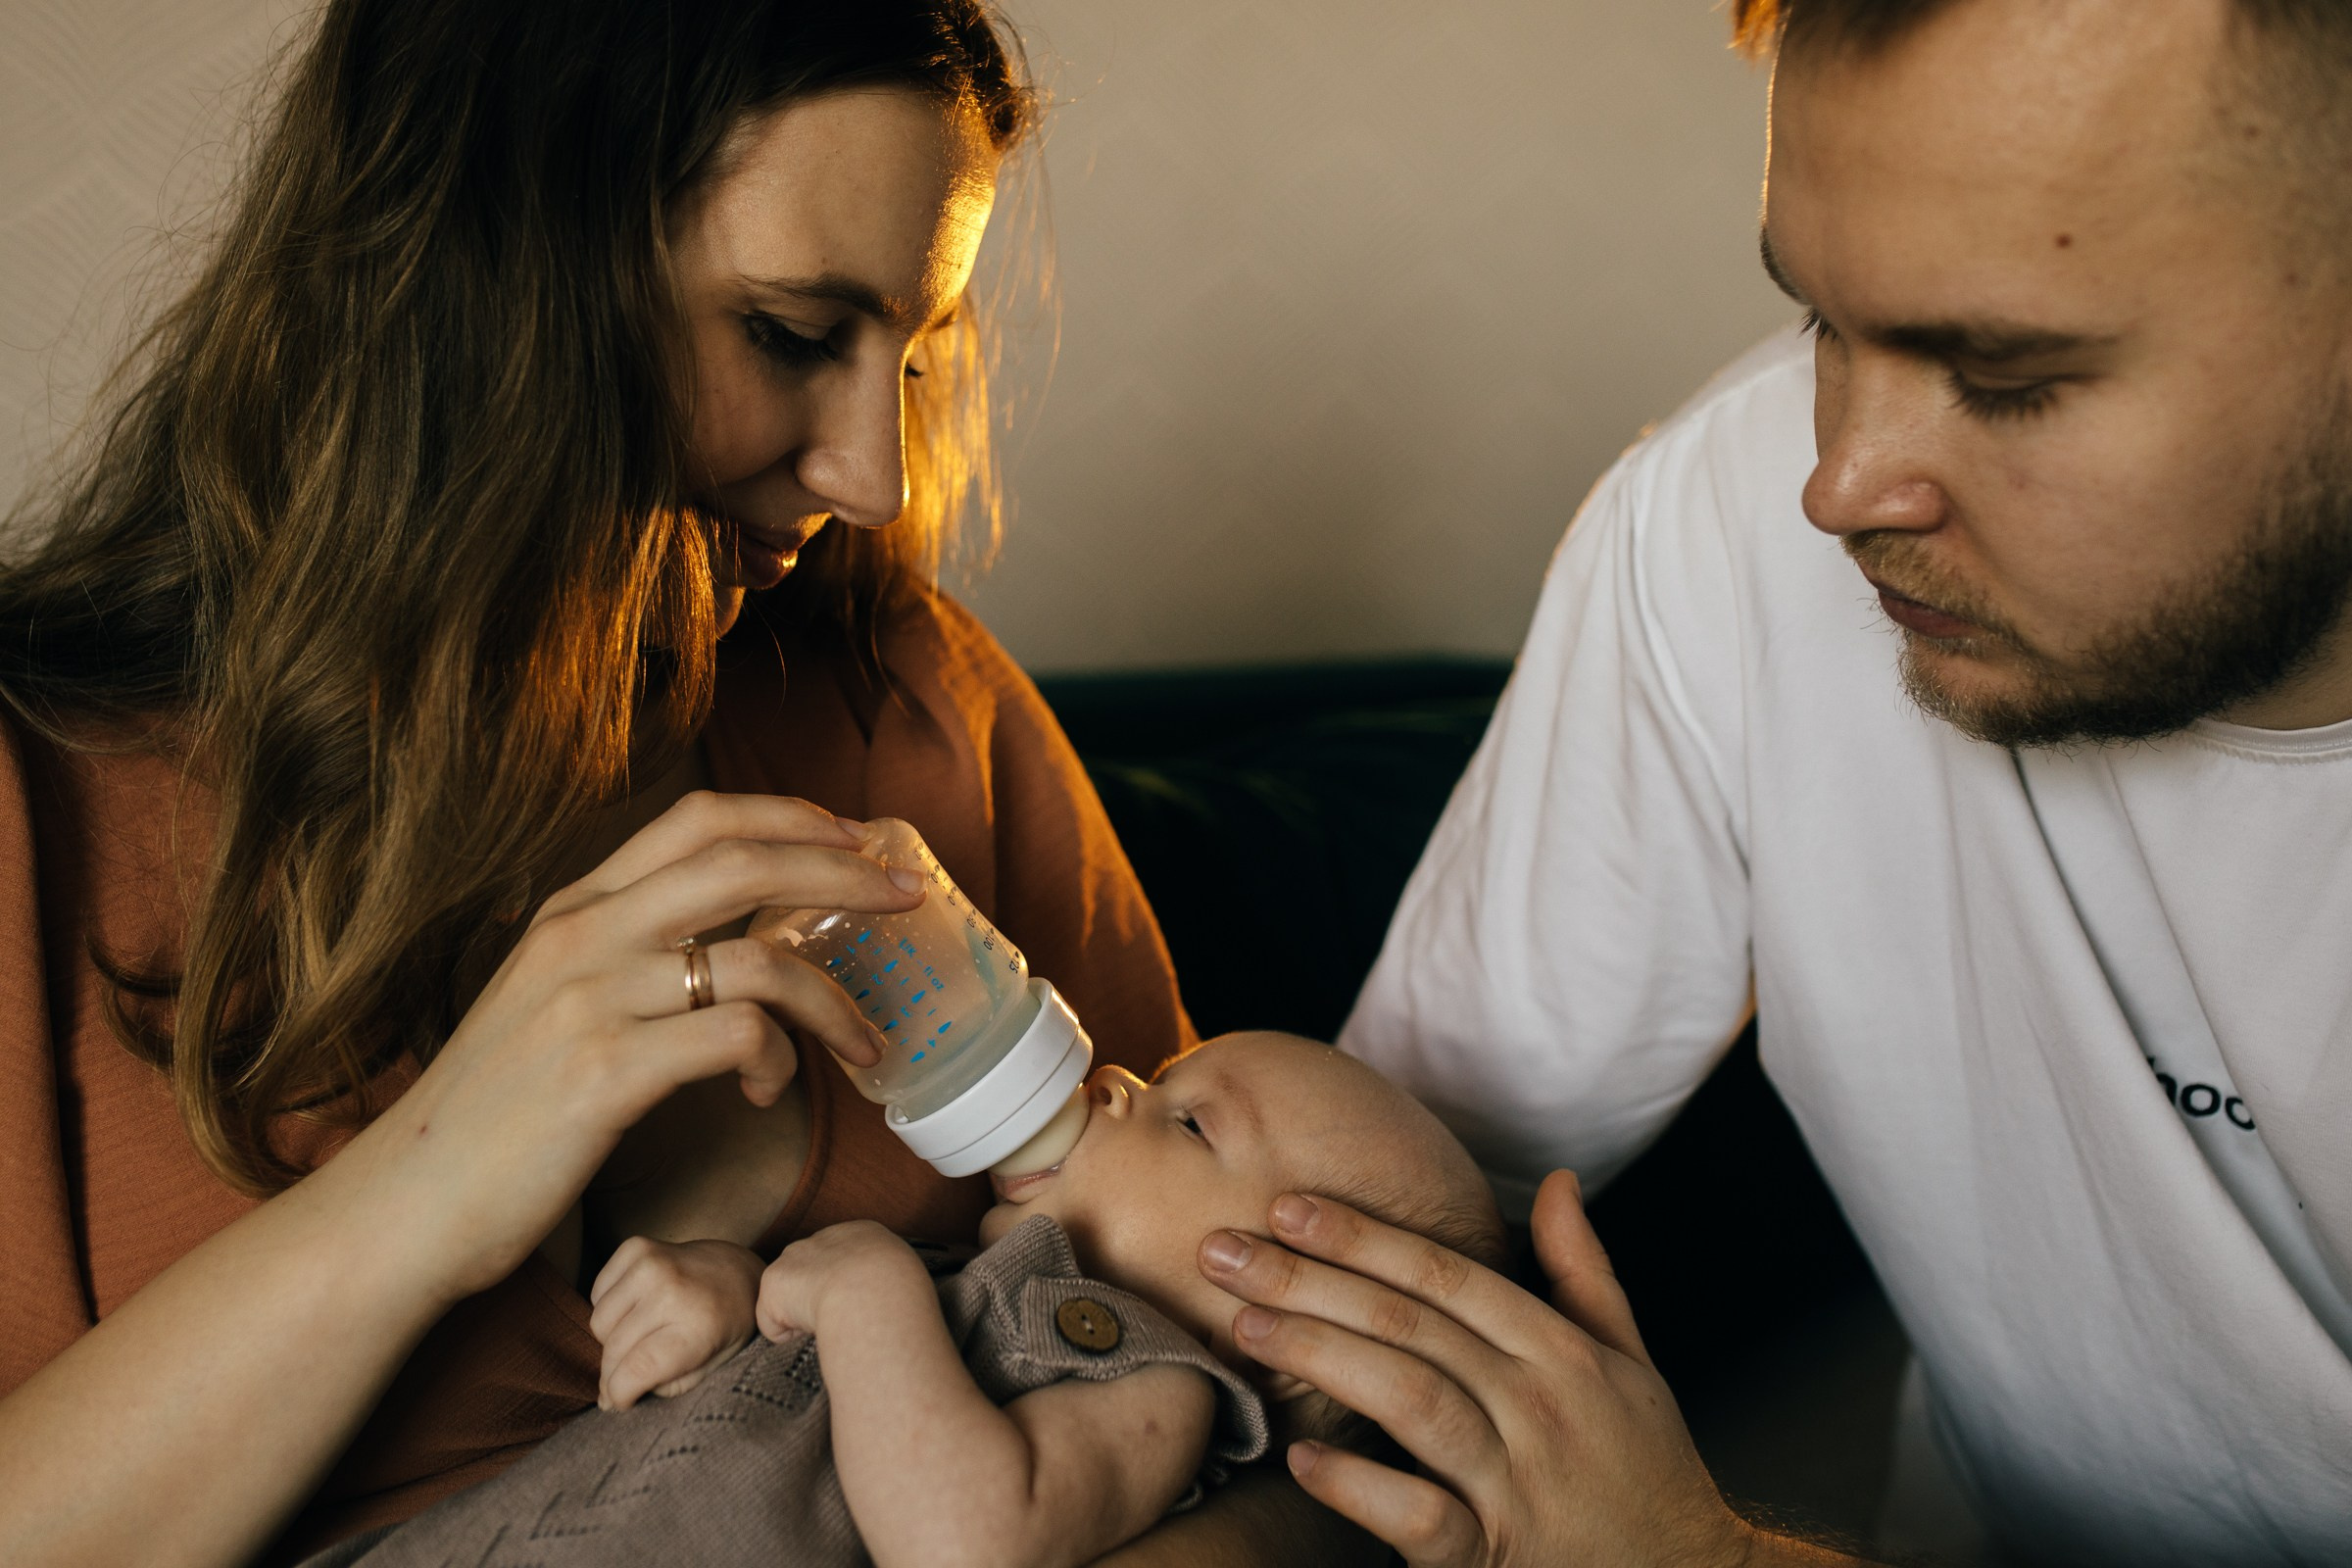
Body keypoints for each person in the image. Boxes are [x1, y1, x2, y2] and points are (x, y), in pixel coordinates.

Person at [0, 4, 1352, 1564]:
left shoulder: (903, 705)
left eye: (910, 359)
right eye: (787, 332)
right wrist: (436, 1183)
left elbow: (1266, 1398)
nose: (871, 478)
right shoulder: (46, 804)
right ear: (485, 275)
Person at [1185, 1, 2352, 1564]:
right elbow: (1337, 1280)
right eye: (1821, 322)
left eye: (2004, 376)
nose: (1840, 483)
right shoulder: (1724, 521)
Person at [293, 1033, 1506, 1568]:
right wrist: (729, 1295)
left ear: (1277, 1316)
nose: (1121, 1077)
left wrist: (863, 1284)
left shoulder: (1155, 1387)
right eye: (1162, 1065)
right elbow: (812, 1390)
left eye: (1190, 1118)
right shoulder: (962, 1290)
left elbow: (967, 1539)